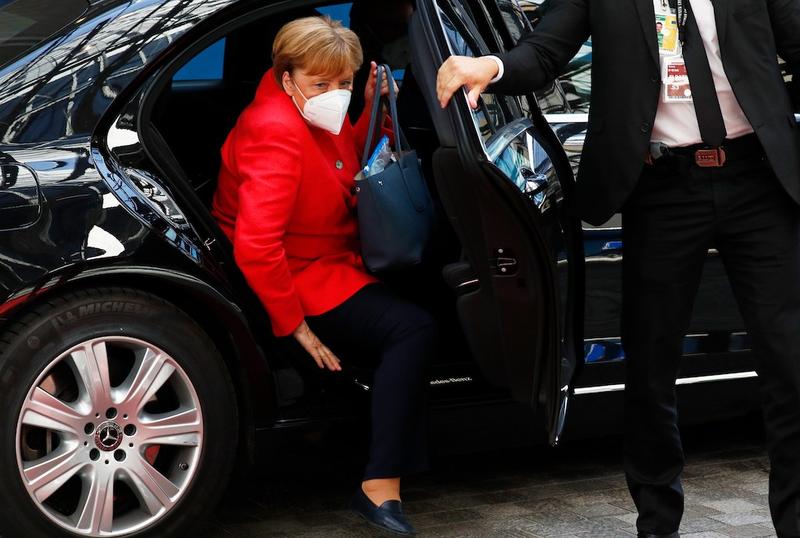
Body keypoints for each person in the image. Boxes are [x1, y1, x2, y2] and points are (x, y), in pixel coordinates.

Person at [437, 1, 800, 537]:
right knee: (650, 369)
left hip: (759, 180)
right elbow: (544, 53)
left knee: (791, 364)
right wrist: (490, 67)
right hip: (662, 188)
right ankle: (657, 523)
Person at [212, 16, 436, 536]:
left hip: (331, 257)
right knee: (414, 328)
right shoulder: (275, 133)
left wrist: (378, 108)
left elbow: (340, 160)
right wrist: (295, 325)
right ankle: (379, 485)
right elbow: (257, 245)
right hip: (299, 273)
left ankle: (356, 435)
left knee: (427, 295)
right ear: (287, 76)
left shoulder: (300, 106)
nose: (335, 95)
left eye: (345, 83)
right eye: (322, 84)